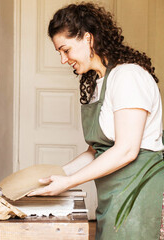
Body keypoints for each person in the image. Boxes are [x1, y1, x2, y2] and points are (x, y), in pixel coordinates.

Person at [27, 3, 164, 240]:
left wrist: (68, 182)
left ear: (88, 39)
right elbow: (95, 151)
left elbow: (127, 150)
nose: (63, 59)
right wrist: (53, 177)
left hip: (139, 194)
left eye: (65, 50)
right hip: (114, 196)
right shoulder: (97, 84)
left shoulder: (128, 77)